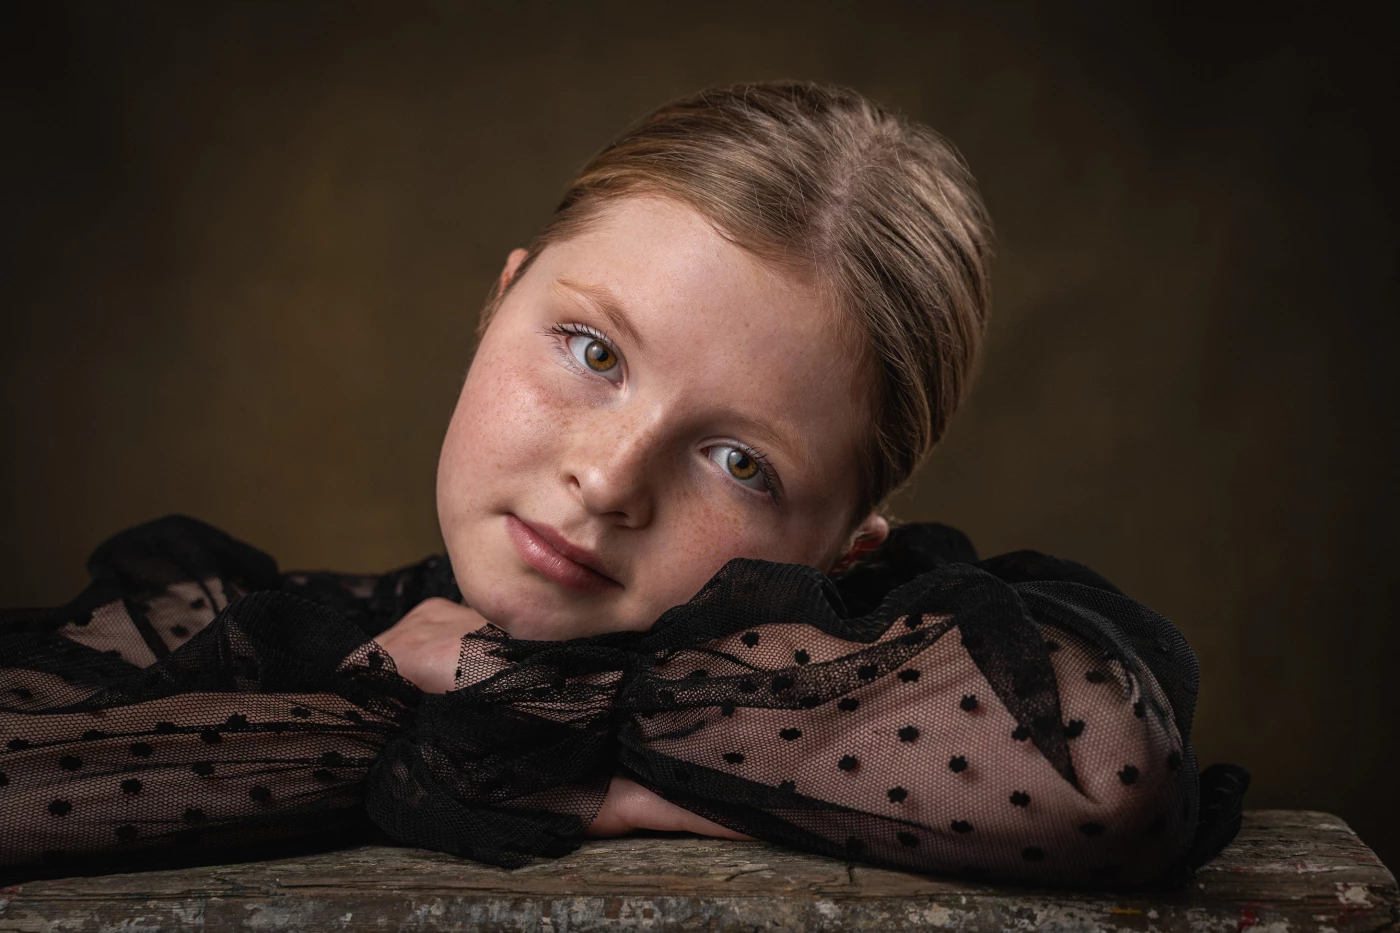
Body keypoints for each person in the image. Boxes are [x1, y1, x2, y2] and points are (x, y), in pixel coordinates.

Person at [0, 81, 1248, 888]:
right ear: (498, 300)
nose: (604, 480)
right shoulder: (267, 628)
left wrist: (542, 730)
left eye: (738, 461)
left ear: (847, 544)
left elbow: (1107, 785)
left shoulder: (904, 668)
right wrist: (445, 717)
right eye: (591, 351)